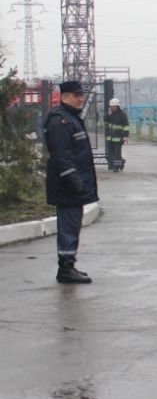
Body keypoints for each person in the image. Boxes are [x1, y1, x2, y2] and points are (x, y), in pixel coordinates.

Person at [44, 80, 97, 284]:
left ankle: (69, 265)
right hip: (67, 186)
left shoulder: (71, 118)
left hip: (72, 185)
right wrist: (74, 181)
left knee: (72, 226)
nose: (80, 99)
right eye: (76, 95)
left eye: (81, 95)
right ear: (64, 97)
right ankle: (65, 269)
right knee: (68, 226)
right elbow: (62, 156)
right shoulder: (60, 121)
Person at [104, 98, 129, 171]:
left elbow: (126, 126)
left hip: (119, 137)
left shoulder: (122, 114)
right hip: (110, 137)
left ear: (117, 106)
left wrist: (125, 136)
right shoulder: (110, 114)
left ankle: (116, 167)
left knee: (117, 154)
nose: (112, 108)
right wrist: (108, 115)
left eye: (113, 106)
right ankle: (121, 161)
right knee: (111, 153)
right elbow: (105, 123)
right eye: (111, 106)